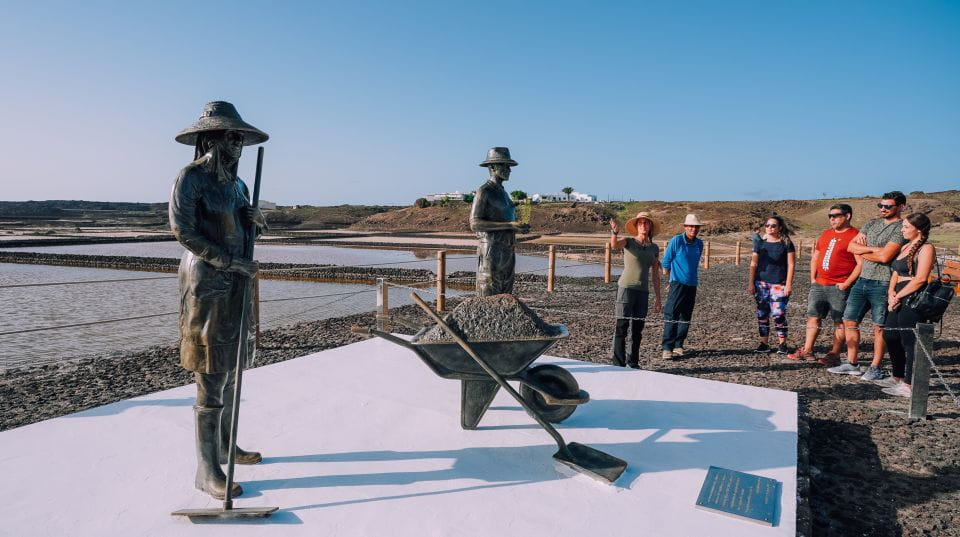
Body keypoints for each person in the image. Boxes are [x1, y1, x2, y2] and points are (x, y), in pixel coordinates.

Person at [170, 101, 268, 500]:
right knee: (210, 369)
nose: (239, 142)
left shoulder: (239, 186)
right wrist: (228, 261)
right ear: (211, 138)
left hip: (236, 279)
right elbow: (183, 231)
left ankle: (227, 445)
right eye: (232, 136)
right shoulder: (191, 178)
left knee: (231, 363)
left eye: (240, 136)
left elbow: (244, 236)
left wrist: (256, 226)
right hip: (207, 280)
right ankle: (205, 468)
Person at [829, 191, 908, 381]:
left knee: (878, 326)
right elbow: (851, 247)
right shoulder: (871, 224)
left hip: (883, 282)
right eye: (880, 206)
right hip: (862, 279)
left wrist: (864, 251)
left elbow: (885, 257)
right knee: (849, 320)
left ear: (901, 207)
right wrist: (874, 250)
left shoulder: (900, 228)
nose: (883, 209)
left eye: (887, 206)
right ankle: (852, 362)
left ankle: (875, 366)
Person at [787, 204, 862, 362]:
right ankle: (807, 350)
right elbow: (816, 256)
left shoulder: (855, 235)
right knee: (813, 316)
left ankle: (834, 353)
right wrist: (813, 278)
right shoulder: (826, 234)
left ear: (847, 216)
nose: (832, 219)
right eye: (830, 216)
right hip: (819, 284)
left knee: (839, 320)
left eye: (836, 215)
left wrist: (847, 284)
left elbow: (860, 264)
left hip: (839, 286)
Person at [879, 213, 935, 397]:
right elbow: (895, 272)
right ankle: (898, 376)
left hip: (912, 295)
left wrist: (899, 295)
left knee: (909, 340)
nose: (902, 230)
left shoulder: (926, 248)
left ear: (918, 229)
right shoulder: (905, 246)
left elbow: (920, 279)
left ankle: (910, 385)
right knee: (890, 334)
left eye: (905, 227)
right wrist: (891, 293)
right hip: (897, 293)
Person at [470, 147, 529, 296]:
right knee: (489, 291)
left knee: (506, 292)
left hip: (508, 250)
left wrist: (518, 227)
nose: (509, 169)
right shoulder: (484, 191)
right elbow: (474, 223)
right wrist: (509, 225)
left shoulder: (503, 193)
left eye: (509, 166)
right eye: (505, 165)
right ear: (492, 167)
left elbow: (507, 219)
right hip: (492, 251)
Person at [609, 212, 662, 368]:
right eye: (640, 223)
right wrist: (614, 233)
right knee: (622, 327)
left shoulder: (654, 248)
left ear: (650, 226)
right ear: (636, 226)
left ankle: (633, 362)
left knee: (637, 330)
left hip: (643, 292)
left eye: (646, 223)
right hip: (626, 288)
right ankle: (618, 363)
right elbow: (614, 245)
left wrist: (658, 298)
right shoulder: (629, 242)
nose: (643, 225)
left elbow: (655, 275)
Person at [747, 215, 796, 354]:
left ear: (780, 227)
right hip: (761, 283)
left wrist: (788, 284)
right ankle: (764, 343)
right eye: (767, 225)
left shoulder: (786, 243)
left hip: (779, 284)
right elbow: (753, 263)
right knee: (762, 314)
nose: (769, 228)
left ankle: (782, 344)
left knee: (778, 314)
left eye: (773, 225)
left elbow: (791, 265)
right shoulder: (760, 243)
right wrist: (751, 283)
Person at [660, 214, 704, 359]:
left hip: (692, 284)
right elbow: (666, 261)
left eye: (696, 227)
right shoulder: (677, 240)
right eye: (690, 226)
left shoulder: (699, 244)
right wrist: (671, 280)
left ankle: (678, 345)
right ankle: (667, 347)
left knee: (686, 316)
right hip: (677, 283)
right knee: (671, 313)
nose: (693, 229)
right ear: (685, 227)